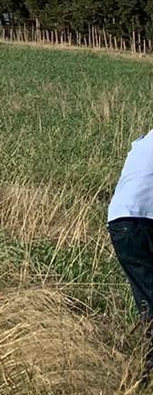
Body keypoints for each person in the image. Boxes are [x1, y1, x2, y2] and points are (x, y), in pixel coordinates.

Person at [110, 131, 153, 377]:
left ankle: (144, 371)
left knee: (147, 295)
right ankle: (146, 371)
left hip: (121, 221)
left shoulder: (142, 142)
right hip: (141, 220)